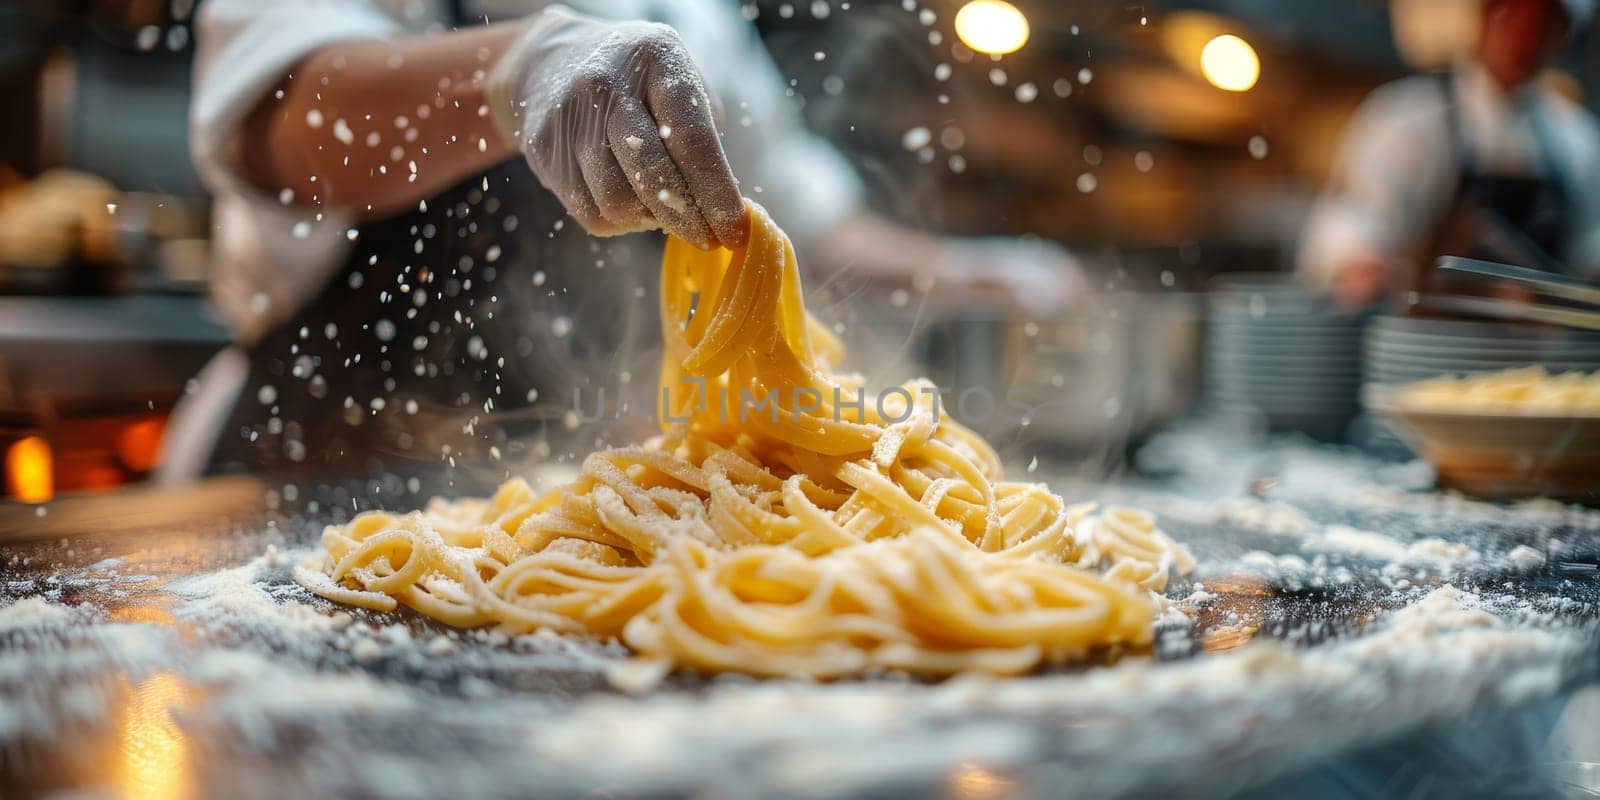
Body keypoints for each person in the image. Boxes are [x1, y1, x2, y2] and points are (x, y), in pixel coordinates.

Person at [165, 0, 1087, 481]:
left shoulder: (693, 14)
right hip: (305, 473)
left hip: (556, 483)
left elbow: (799, 217)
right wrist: (513, 71)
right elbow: (270, 130)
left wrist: (972, 271)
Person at [1298, 0, 1600, 308]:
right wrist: (1358, 259)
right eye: (1511, 17)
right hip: (1427, 342)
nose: (1524, 36)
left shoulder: (1576, 139)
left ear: (1561, 37)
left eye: (1541, 25)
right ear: (1484, 18)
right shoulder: (1406, 119)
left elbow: (1590, 242)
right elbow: (1356, 216)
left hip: (1542, 347)